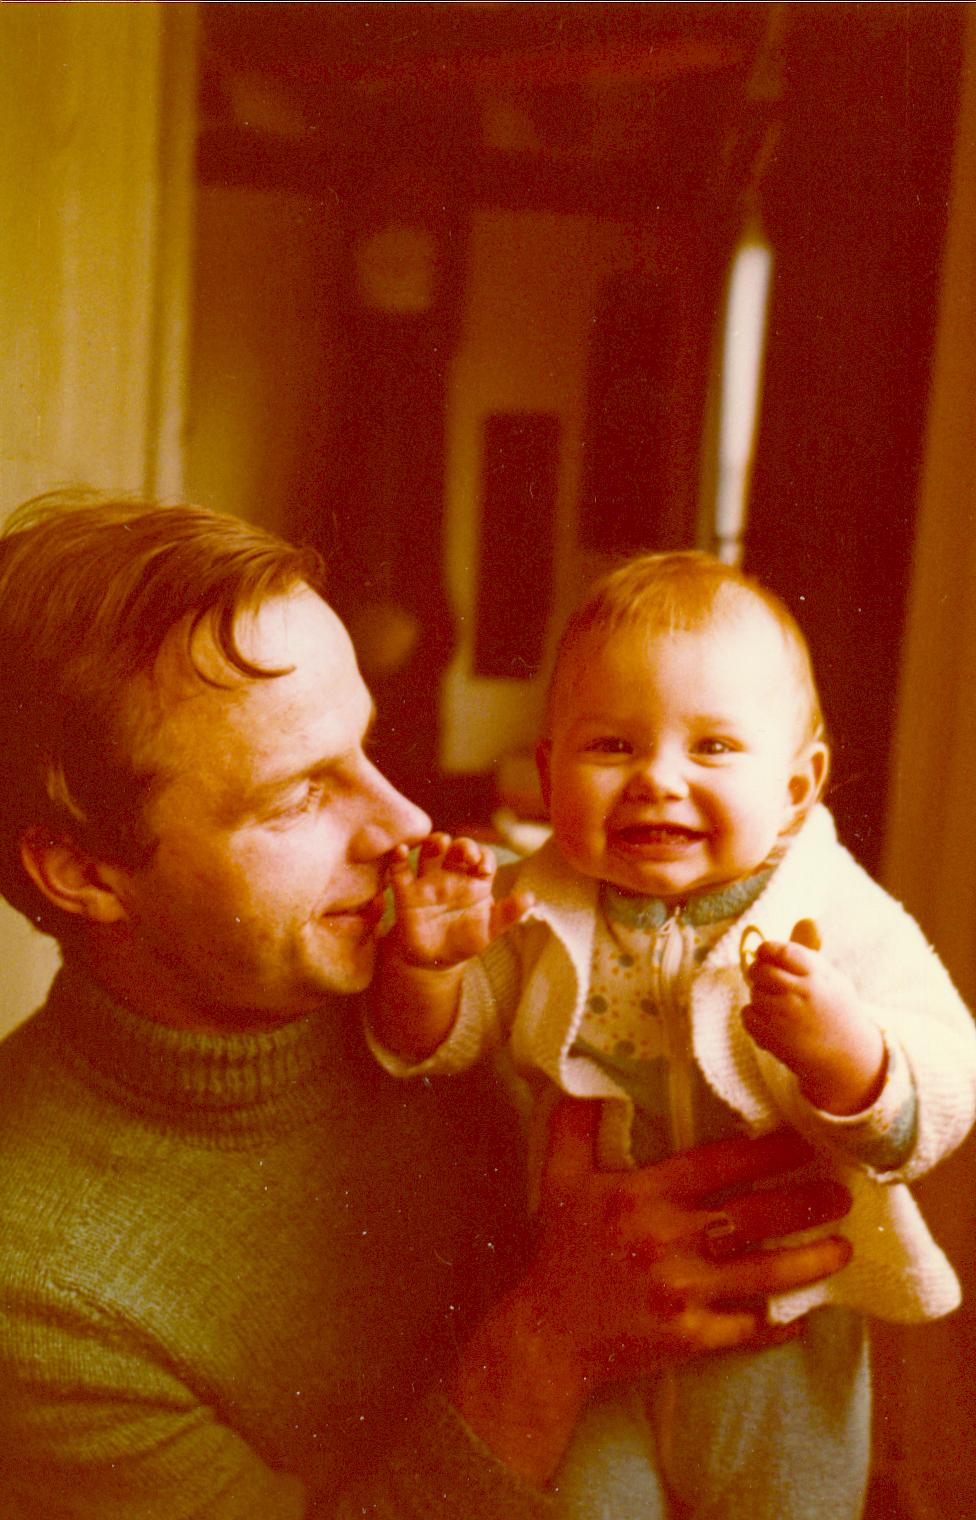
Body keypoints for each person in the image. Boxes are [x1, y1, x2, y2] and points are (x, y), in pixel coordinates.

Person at [0, 497, 855, 1518]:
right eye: (298, 796)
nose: (405, 821)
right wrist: (550, 1343)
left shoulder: (475, 940)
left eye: (367, 746)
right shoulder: (36, 1294)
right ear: (82, 871)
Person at [372, 550, 976, 1518]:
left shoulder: (833, 910)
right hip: (593, 1321)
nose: (657, 779)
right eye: (612, 746)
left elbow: (948, 1069)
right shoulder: (535, 903)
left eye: (713, 747)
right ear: (548, 772)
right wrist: (425, 969)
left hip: (779, 1335)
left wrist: (848, 1055)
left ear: (797, 784)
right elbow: (443, 1042)